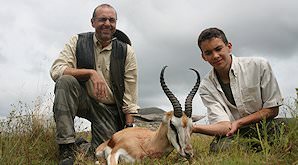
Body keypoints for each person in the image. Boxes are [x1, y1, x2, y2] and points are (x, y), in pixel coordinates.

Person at [50, 4, 139, 164]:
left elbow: (130, 95)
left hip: (109, 110)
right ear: (92, 22)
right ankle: (66, 148)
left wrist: (128, 127)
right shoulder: (77, 41)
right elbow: (56, 70)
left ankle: (80, 145)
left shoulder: (127, 51)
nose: (107, 23)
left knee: (101, 155)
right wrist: (90, 73)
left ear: (116, 23)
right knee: (65, 81)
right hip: (83, 99)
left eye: (111, 20)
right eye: (102, 19)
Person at [192, 27, 288, 153]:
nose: (215, 56)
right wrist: (192, 127)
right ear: (203, 57)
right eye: (208, 53)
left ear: (229, 47)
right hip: (234, 134)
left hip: (266, 126)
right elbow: (224, 127)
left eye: (218, 49)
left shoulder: (259, 65)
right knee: (220, 149)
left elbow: (273, 109)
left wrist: (240, 122)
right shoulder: (206, 86)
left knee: (291, 126)